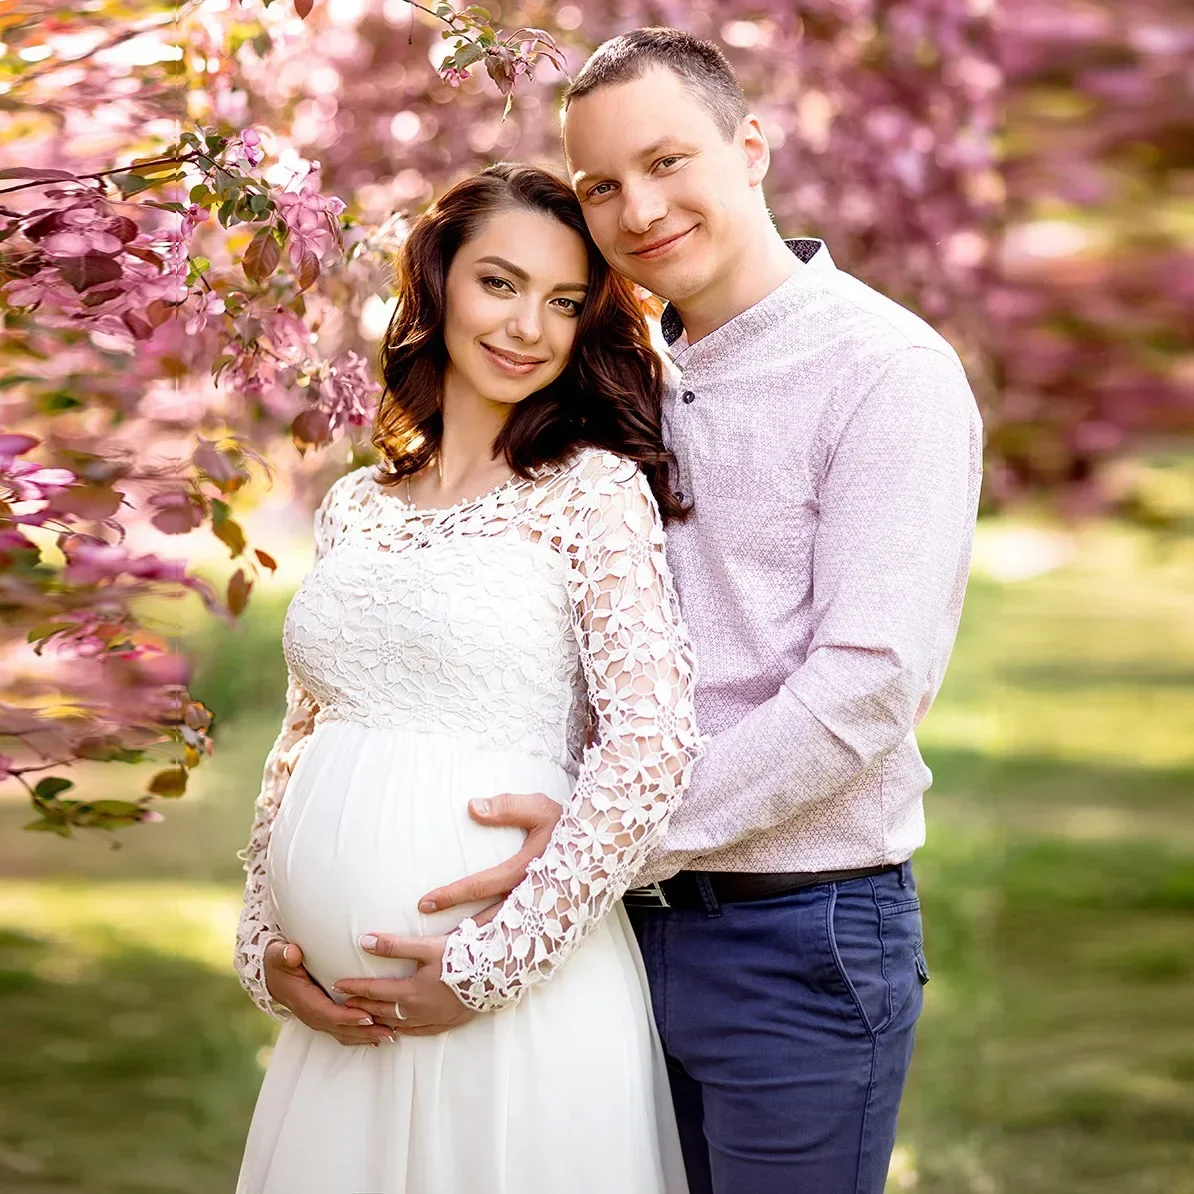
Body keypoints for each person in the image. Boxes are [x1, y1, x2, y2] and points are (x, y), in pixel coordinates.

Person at [387, 28, 985, 1194]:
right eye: (602, 184)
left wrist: (599, 842)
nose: (638, 208)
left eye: (668, 162)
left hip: (792, 938)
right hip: (598, 941)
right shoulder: (612, 375)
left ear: (750, 146)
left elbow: (864, 687)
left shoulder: (886, 371)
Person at [232, 162, 702, 1194]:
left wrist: (494, 967)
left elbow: (652, 740)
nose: (530, 326)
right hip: (338, 1025)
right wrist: (269, 936)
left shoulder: (592, 493)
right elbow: (305, 730)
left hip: (511, 1010)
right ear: (438, 285)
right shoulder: (358, 504)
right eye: (501, 283)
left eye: (565, 301)